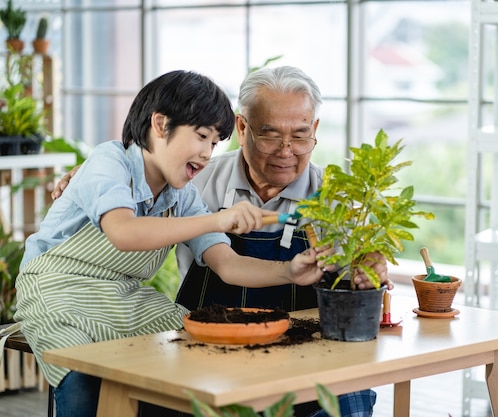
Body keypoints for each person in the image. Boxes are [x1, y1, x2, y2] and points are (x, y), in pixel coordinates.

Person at [52, 66, 389, 417]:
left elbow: (361, 281)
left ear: (315, 130)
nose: (286, 151)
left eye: (301, 136)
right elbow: (133, 185)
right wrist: (88, 176)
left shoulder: (337, 199)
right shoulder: (191, 180)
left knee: (349, 399)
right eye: (271, 135)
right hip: (211, 346)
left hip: (305, 350)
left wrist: (367, 272)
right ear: (242, 129)